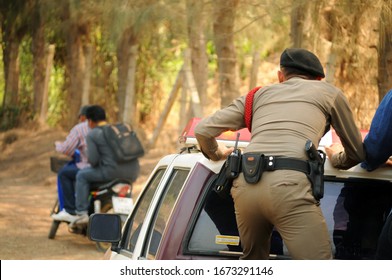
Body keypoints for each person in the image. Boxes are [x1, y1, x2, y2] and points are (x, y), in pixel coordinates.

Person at [194, 48, 365, 260]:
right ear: (319, 79)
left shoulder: (256, 96)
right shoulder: (329, 93)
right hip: (289, 186)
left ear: (280, 76)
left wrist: (217, 154)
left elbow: (202, 130)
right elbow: (357, 153)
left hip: (246, 186)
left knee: (254, 264)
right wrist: (337, 158)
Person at [70, 105, 140, 225]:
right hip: (132, 173)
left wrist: (87, 153)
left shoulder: (93, 134)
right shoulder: (117, 130)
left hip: (110, 173)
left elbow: (93, 160)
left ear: (90, 121)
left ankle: (81, 213)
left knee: (81, 175)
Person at [51, 105, 90, 222]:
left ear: (83, 117)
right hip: (109, 169)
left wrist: (57, 145)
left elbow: (67, 148)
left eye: (80, 117)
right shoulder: (106, 129)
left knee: (64, 174)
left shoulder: (80, 128)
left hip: (90, 167)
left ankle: (69, 210)